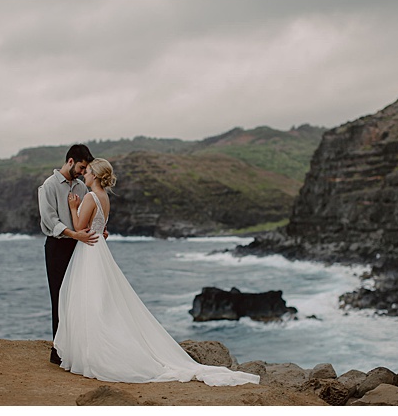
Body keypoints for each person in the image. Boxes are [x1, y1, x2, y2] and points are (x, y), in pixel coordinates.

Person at [53, 159, 259, 386]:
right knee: (100, 301)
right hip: (99, 249)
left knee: (90, 301)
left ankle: (94, 353)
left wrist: (73, 208)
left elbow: (80, 229)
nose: (85, 175)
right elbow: (100, 227)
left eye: (88, 171)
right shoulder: (105, 198)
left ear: (95, 175)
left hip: (89, 251)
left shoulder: (91, 197)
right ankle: (89, 351)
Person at [37, 144, 99, 365]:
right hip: (57, 246)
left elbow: (85, 216)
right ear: (70, 161)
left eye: (85, 169)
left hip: (78, 247)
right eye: (82, 167)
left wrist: (94, 230)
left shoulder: (81, 188)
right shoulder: (49, 186)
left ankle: (77, 349)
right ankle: (59, 351)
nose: (83, 172)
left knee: (78, 298)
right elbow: (49, 220)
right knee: (59, 298)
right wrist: (74, 234)